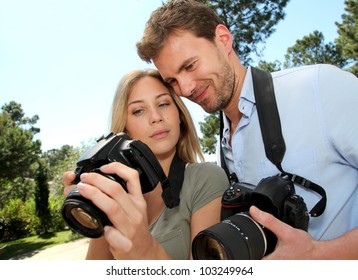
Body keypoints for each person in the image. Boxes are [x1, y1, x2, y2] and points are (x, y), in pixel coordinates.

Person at [136, 0, 358, 259]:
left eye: (190, 66)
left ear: (223, 39)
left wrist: (319, 256)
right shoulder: (224, 144)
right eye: (172, 80)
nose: (185, 89)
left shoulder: (320, 86)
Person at [62, 69, 230, 260]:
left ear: (180, 116)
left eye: (164, 103)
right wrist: (97, 208)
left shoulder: (205, 178)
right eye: (139, 110)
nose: (156, 117)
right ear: (124, 130)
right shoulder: (114, 192)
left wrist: (143, 250)